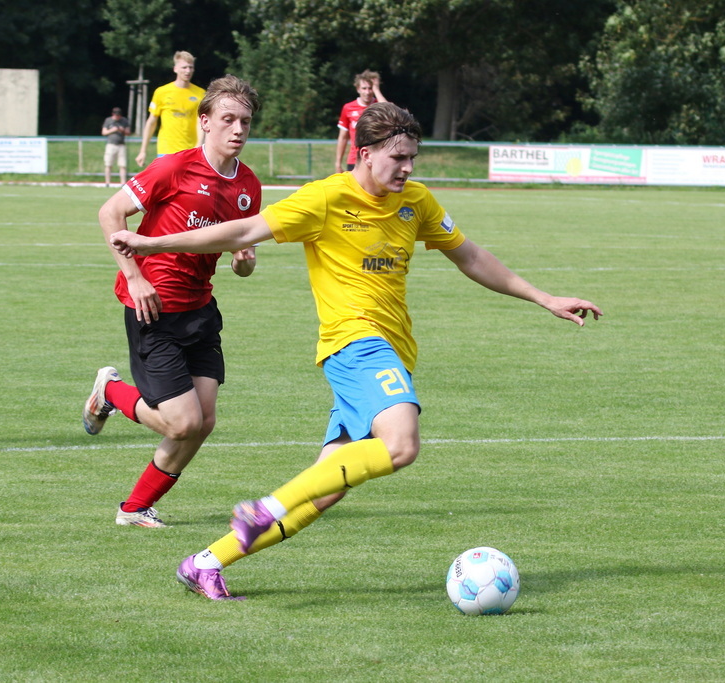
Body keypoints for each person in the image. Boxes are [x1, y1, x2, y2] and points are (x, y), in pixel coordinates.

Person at [109, 102, 603, 600]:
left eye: (412, 158)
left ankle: (206, 562)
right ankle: (265, 508)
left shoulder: (417, 201)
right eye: (398, 158)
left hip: (395, 349)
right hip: (355, 343)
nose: (408, 168)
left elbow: (470, 256)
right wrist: (152, 245)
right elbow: (242, 231)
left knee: (327, 488)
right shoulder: (325, 197)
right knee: (401, 444)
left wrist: (544, 297)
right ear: (365, 153)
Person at [83, 75, 263, 529]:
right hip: (154, 308)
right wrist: (134, 277)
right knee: (182, 423)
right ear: (205, 121)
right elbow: (110, 212)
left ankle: (134, 508)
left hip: (201, 310)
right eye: (228, 119)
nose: (238, 129)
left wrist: (243, 261)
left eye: (245, 121)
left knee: (203, 422)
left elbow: (244, 264)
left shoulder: (249, 186)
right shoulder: (173, 168)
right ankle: (110, 392)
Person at [135, 51, 206, 168]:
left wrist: (199, 145)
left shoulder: (200, 94)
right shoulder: (161, 92)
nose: (188, 71)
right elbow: (152, 122)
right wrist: (143, 151)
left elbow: (201, 122)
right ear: (175, 69)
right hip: (166, 150)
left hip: (191, 151)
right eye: (184, 67)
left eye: (191, 67)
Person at [334, 69, 387, 174]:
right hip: (355, 159)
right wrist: (338, 162)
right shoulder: (348, 108)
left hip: (376, 158)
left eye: (370, 88)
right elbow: (343, 138)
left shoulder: (379, 106)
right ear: (358, 89)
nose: (367, 92)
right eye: (364, 88)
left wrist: (376, 90)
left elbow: (389, 111)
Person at [102, 107, 131, 186]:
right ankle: (107, 182)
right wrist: (113, 130)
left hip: (121, 145)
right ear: (113, 114)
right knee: (108, 164)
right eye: (116, 115)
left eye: (119, 115)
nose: (117, 117)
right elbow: (104, 132)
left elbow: (128, 132)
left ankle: (123, 183)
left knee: (122, 165)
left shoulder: (124, 120)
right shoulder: (108, 120)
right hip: (111, 144)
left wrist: (122, 130)